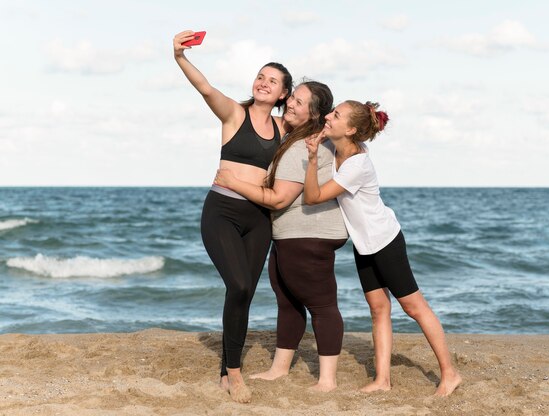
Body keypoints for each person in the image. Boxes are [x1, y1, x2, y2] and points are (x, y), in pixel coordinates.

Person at [303, 100, 462, 396]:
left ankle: (450, 373)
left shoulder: (356, 165)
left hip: (385, 241)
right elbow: (327, 130)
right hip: (364, 244)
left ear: (351, 129)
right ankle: (382, 380)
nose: (328, 116)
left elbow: (313, 197)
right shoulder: (343, 146)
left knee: (414, 307)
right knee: (378, 310)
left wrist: (312, 159)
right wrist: (323, 136)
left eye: (335, 115)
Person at [173, 30, 293, 403]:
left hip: (259, 218)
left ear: (283, 94)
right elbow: (206, 88)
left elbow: (315, 125)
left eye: (272, 81)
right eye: (260, 76)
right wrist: (180, 57)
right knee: (239, 285)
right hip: (221, 211)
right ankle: (235, 375)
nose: (263, 82)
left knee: (244, 293)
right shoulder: (234, 113)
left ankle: (227, 369)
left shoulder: (283, 129)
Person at [214, 80, 348, 392]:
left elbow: (278, 199)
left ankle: (327, 380)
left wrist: (232, 182)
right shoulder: (297, 140)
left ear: (314, 114)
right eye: (293, 98)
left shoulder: (303, 147)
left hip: (308, 235)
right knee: (287, 301)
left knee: (322, 305)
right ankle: (280, 368)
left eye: (300, 102)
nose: (291, 104)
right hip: (291, 234)